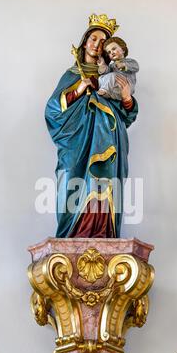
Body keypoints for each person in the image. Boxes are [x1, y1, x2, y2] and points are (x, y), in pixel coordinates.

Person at [45, 14, 138, 238]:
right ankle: (72, 235)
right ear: (85, 41)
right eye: (93, 38)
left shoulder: (113, 75)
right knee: (72, 180)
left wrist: (126, 98)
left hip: (110, 140)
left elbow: (128, 114)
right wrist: (79, 89)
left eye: (102, 42)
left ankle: (102, 234)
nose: (97, 44)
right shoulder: (72, 74)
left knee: (105, 184)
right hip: (77, 143)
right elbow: (52, 111)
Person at [97, 36, 139, 100]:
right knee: (101, 78)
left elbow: (135, 66)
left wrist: (123, 65)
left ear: (123, 50)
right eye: (109, 52)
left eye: (114, 49)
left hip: (127, 88)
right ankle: (107, 93)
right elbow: (107, 71)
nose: (112, 53)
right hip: (115, 90)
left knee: (113, 75)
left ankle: (104, 90)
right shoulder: (112, 65)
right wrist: (102, 65)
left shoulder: (129, 61)